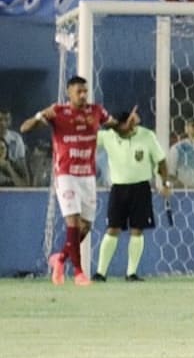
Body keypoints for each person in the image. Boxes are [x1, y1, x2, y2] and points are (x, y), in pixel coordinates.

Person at [19, 75, 115, 285]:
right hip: (66, 174)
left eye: (85, 91)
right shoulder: (58, 112)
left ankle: (60, 258)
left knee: (86, 227)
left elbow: (116, 125)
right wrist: (40, 115)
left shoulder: (96, 111)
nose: (82, 95)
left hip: (88, 175)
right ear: (68, 92)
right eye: (78, 91)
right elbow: (24, 128)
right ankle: (79, 272)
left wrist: (127, 123)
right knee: (73, 222)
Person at [94, 109, 171, 281]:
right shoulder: (108, 136)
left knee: (137, 229)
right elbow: (87, 137)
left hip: (141, 188)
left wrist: (165, 183)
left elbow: (161, 161)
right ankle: (100, 273)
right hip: (118, 188)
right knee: (112, 228)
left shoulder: (147, 136)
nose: (121, 133)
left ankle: (131, 273)